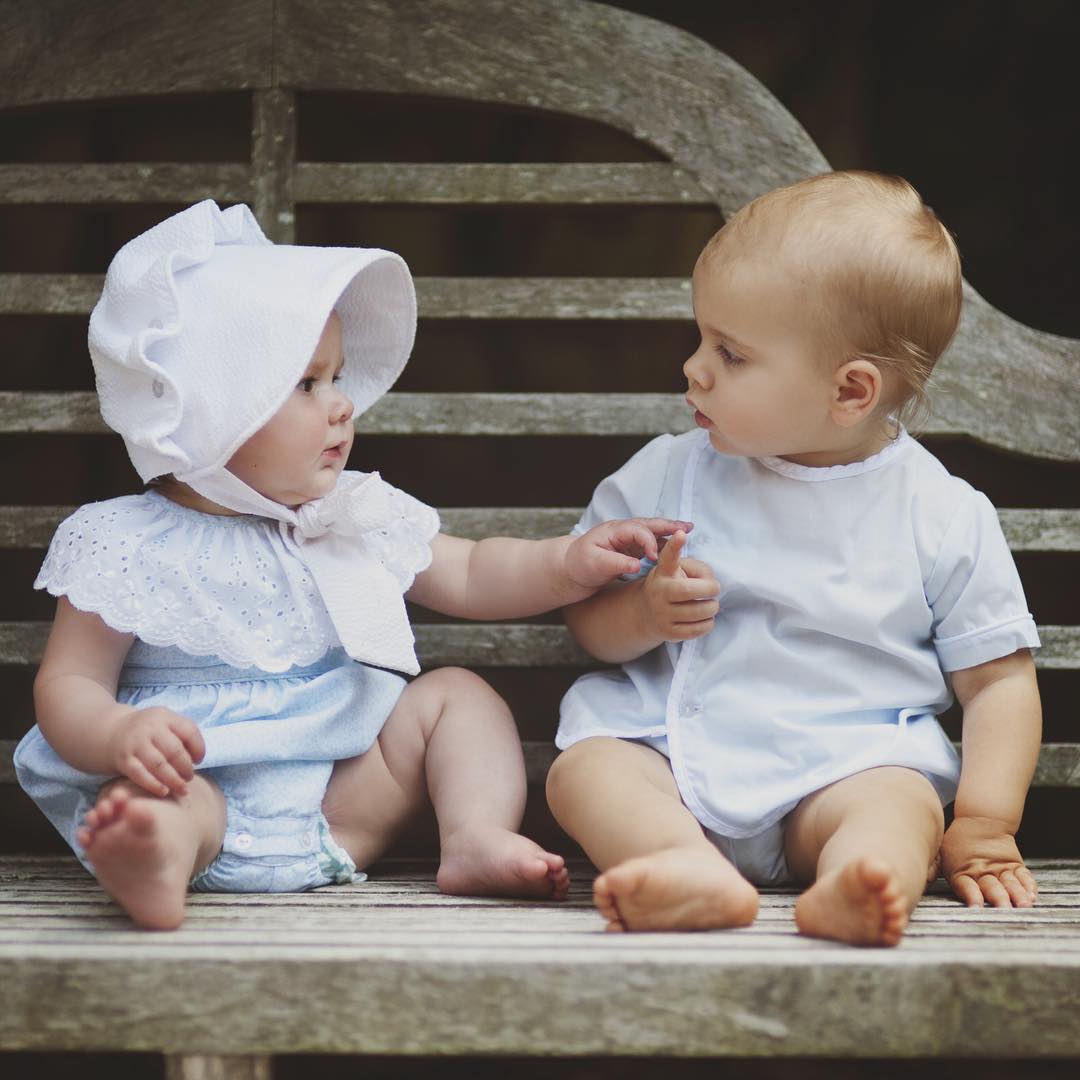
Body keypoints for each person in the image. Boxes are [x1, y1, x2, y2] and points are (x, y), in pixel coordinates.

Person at [15, 199, 687, 930]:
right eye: (305, 384)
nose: (341, 407)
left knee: (458, 696)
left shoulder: (353, 511)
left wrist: (568, 564)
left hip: (342, 806)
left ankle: (472, 836)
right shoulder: (123, 540)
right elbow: (70, 683)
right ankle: (155, 859)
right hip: (193, 780)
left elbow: (470, 572)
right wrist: (117, 734)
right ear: (209, 410)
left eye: (336, 380)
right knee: (165, 806)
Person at [545, 171, 1043, 946]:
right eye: (702, 338)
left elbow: (999, 683)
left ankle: (859, 881)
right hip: (675, 755)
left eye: (732, 355)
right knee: (586, 768)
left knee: (899, 802)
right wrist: (641, 613)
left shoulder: (940, 513)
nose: (694, 369)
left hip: (845, 768)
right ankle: (684, 868)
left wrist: (981, 823)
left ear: (850, 391)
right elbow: (590, 627)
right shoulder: (668, 473)